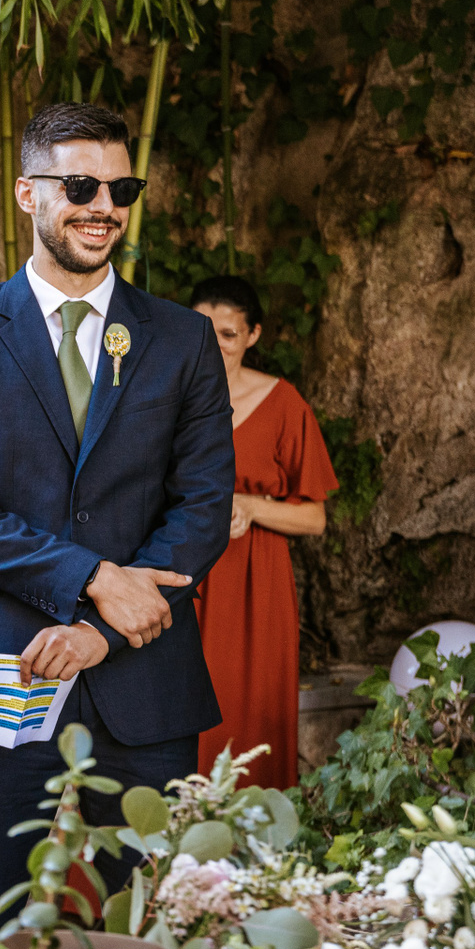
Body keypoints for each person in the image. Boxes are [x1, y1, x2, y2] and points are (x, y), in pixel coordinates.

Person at [0, 102, 235, 949]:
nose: (103, 207)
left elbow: (203, 509)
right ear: (28, 194)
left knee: (148, 936)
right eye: (81, 186)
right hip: (2, 661)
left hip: (141, 673)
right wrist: (93, 577)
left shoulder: (183, 338)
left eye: (121, 189)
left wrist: (104, 627)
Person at [188, 275, 338, 788]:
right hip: (181, 576)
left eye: (228, 334)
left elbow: (314, 517)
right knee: (179, 715)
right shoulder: (164, 396)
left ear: (253, 336)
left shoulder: (283, 403)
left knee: (248, 711)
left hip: (255, 583)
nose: (214, 344)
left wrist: (251, 506)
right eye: (203, 331)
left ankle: (253, 834)